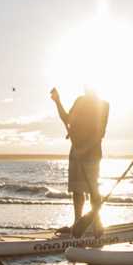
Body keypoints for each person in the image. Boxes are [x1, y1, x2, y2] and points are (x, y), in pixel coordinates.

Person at [50, 87, 109, 235]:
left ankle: (97, 223)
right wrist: (57, 101)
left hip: (92, 153)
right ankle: (77, 224)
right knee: (77, 189)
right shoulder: (79, 101)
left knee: (93, 189)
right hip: (76, 151)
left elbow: (100, 132)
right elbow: (67, 119)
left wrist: (85, 149)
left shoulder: (103, 105)